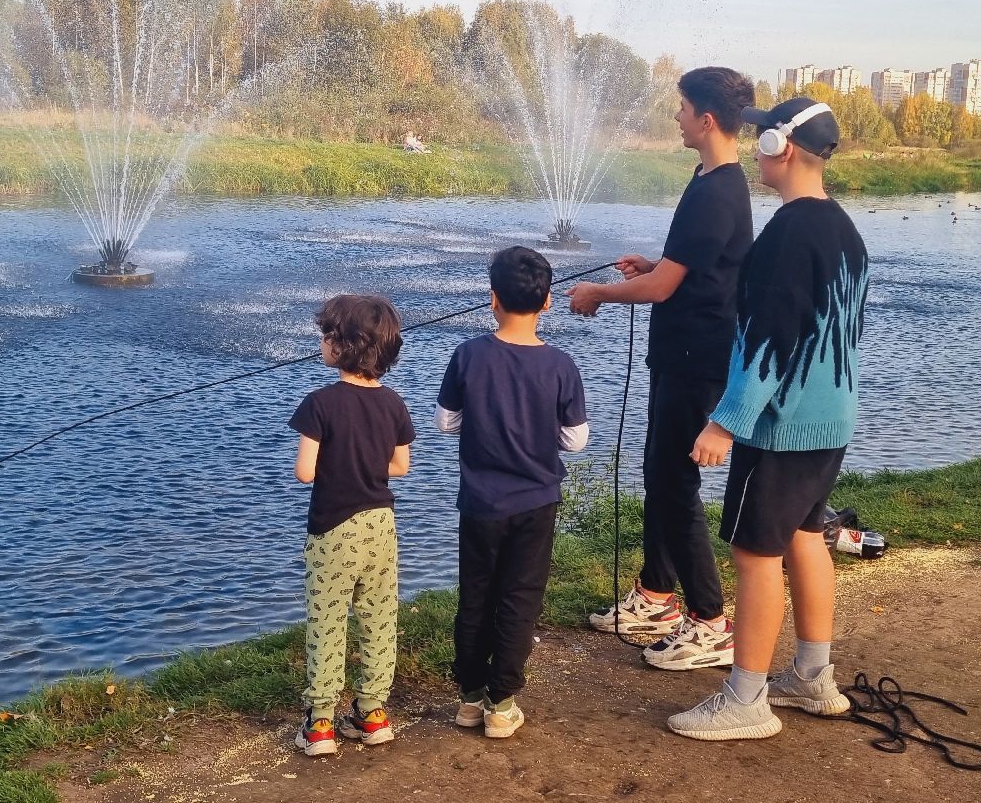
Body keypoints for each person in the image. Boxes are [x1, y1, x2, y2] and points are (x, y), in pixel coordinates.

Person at [666, 95, 869, 742]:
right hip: (830, 420)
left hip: (782, 427)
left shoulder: (788, 232)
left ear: (779, 148)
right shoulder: (843, 227)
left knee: (754, 552)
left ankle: (745, 700)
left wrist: (727, 421)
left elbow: (771, 341)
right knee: (805, 537)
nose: (755, 151)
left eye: (760, 140)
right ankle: (813, 676)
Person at [567, 67, 755, 671]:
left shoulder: (719, 189)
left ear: (705, 118)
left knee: (674, 483)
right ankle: (656, 595)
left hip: (697, 357)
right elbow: (692, 268)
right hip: (681, 351)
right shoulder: (708, 179)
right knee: (659, 474)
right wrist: (652, 263)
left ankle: (709, 620)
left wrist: (599, 293)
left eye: (680, 109)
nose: (674, 118)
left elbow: (665, 288)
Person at [435, 246, 589, 739]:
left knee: (476, 595)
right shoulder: (561, 365)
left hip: (480, 505)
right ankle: (502, 703)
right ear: (547, 303)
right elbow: (575, 439)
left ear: (492, 299)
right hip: (536, 503)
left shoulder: (468, 355)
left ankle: (469, 698)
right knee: (520, 599)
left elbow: (445, 423)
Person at [289, 294, 414, 757]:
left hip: (333, 531)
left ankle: (320, 722)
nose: (321, 342)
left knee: (327, 620)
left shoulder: (319, 404)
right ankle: (373, 713)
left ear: (341, 346)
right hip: (381, 525)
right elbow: (400, 466)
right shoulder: (394, 403)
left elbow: (306, 471)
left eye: (326, 335)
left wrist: (336, 462)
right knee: (378, 618)